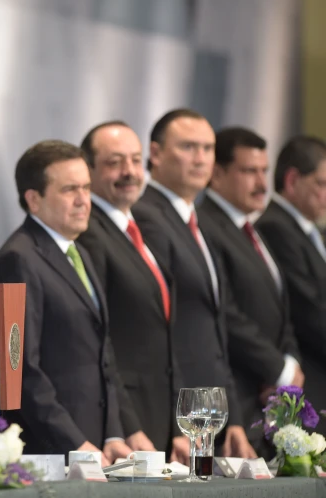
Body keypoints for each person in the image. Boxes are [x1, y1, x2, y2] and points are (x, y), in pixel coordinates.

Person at [0, 139, 131, 466]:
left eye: (86, 187)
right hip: (49, 452)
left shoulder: (77, 251)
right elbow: (19, 368)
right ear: (33, 199)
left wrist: (113, 434)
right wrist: (76, 442)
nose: (84, 200)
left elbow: (100, 354)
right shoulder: (18, 260)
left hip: (92, 446)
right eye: (69, 190)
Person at [135, 108, 256, 458]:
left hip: (210, 418)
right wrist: (178, 422)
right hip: (178, 419)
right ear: (155, 153)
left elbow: (213, 330)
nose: (201, 158)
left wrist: (230, 416)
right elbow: (162, 331)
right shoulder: (147, 216)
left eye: (208, 148)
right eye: (189, 147)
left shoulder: (193, 219)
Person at [76, 121, 187, 461]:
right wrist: (124, 424)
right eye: (114, 162)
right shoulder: (89, 233)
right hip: (126, 425)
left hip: (161, 418)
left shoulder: (141, 227)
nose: (129, 172)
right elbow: (99, 340)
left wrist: (179, 425)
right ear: (88, 169)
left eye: (136, 160)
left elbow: (163, 335)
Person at [196, 127, 302, 455]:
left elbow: (281, 309)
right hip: (239, 394)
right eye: (248, 171)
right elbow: (224, 310)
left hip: (269, 399)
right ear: (217, 173)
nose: (261, 183)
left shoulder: (251, 229)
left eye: (264, 171)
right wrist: (277, 368)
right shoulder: (204, 226)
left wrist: (290, 363)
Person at [256, 135, 326, 436]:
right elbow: (309, 312)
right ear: (293, 179)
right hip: (306, 382)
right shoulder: (276, 226)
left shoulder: (309, 231)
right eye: (322, 184)